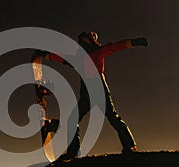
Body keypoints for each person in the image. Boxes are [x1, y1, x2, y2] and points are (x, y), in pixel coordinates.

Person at [34, 32, 148, 160]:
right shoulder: (79, 58)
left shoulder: (96, 53)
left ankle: (130, 146)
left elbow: (115, 47)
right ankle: (74, 152)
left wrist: (133, 42)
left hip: (99, 92)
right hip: (88, 94)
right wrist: (46, 55)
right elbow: (62, 58)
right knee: (77, 119)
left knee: (112, 118)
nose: (80, 45)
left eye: (82, 42)